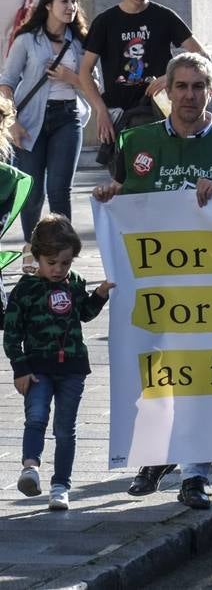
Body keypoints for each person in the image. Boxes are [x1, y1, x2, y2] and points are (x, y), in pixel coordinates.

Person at [93, 52, 212, 509]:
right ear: (166, 90)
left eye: (197, 86)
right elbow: (124, 198)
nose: (188, 95)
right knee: (155, 374)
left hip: (209, 286)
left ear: (211, 91)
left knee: (200, 377)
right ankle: (157, 455)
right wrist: (111, 194)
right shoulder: (137, 141)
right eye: (180, 86)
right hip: (152, 284)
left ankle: (196, 473)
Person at [4, 214, 112, 512]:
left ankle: (60, 485)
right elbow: (11, 334)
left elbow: (85, 313)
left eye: (65, 263)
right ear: (36, 256)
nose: (58, 269)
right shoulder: (25, 290)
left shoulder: (74, 282)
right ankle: (30, 468)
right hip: (37, 369)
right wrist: (20, 368)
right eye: (51, 263)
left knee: (65, 429)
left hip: (72, 368)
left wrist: (100, 294)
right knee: (36, 417)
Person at [80, 0, 205, 163]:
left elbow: (201, 55)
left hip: (159, 111)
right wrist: (100, 110)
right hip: (119, 114)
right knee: (124, 183)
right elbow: (85, 71)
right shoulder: (105, 22)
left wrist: (170, 77)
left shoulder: (164, 16)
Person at [0, 0, 90, 246]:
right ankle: (33, 251)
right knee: (33, 192)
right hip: (29, 121)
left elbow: (95, 85)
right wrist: (12, 122)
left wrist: (70, 77)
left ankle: (62, 255)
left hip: (68, 118)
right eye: (64, 1)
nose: (71, 7)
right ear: (48, 5)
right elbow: (7, 82)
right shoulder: (27, 40)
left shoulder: (80, 42)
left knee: (59, 190)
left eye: (74, 1)